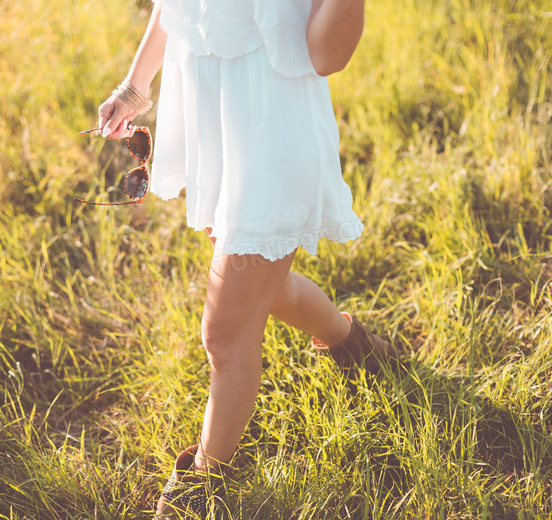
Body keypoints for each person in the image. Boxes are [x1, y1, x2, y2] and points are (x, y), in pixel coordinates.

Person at [94, 0, 402, 517]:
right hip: (213, 124)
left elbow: (327, 54)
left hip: (270, 136)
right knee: (265, 289)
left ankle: (201, 489)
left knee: (225, 331)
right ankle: (355, 346)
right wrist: (134, 86)